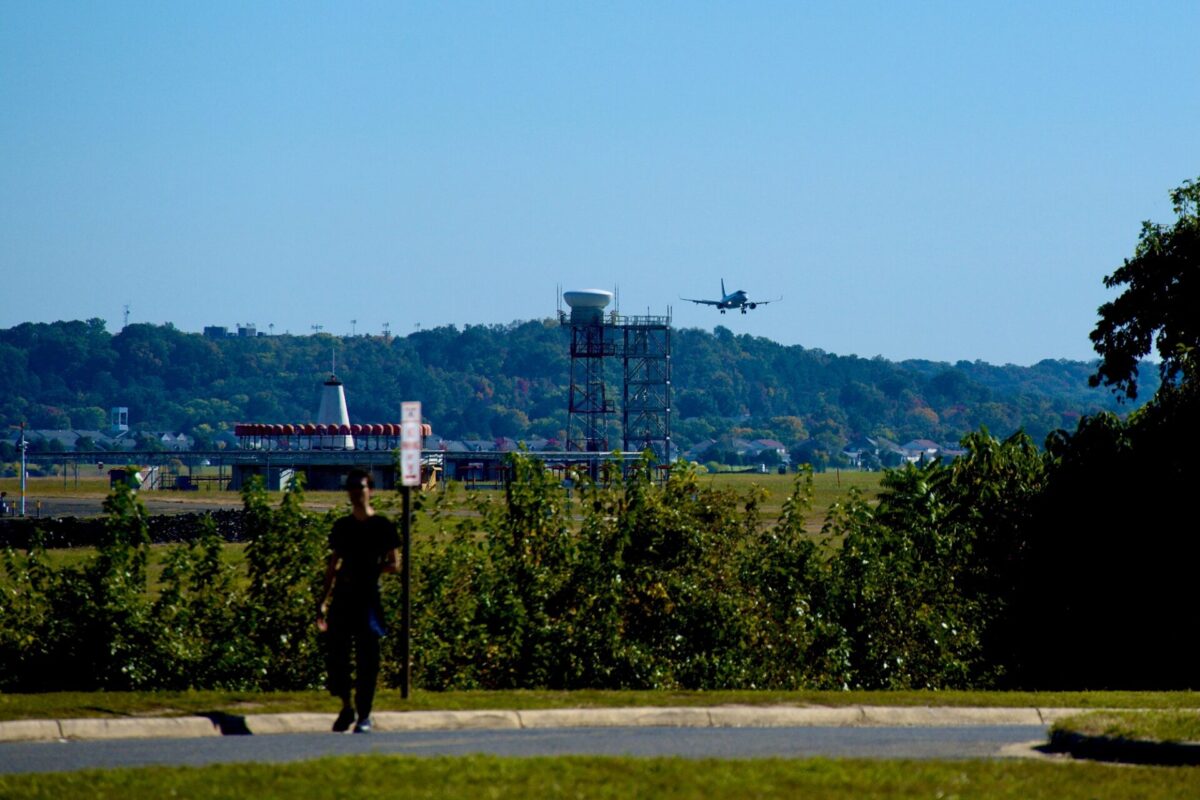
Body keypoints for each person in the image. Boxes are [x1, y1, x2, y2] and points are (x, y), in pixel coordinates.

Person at [317, 468, 400, 733]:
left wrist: (372, 569)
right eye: (351, 488)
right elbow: (333, 565)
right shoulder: (343, 527)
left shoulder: (382, 527)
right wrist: (323, 600)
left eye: (360, 487)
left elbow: (394, 564)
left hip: (368, 599)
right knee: (337, 656)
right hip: (343, 596)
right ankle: (346, 706)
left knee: (368, 659)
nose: (355, 492)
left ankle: (364, 713)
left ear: (370, 490)